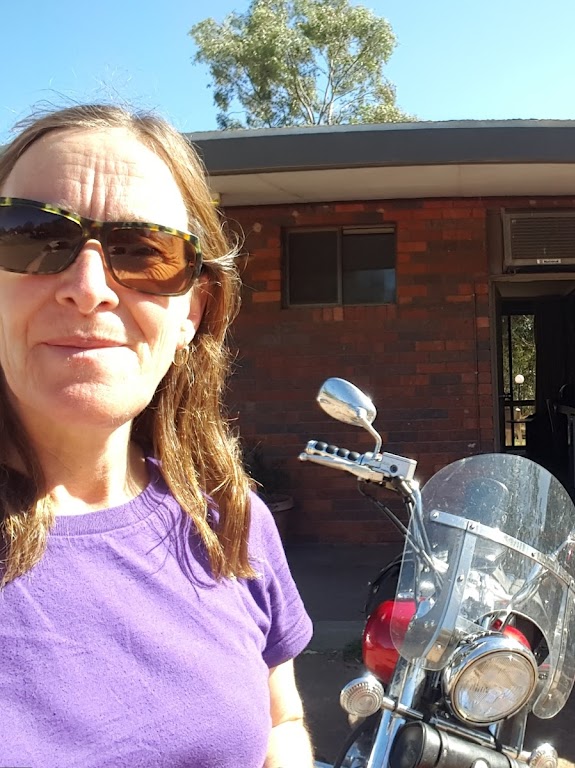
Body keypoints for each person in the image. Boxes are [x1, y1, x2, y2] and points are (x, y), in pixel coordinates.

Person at [0, 105, 315, 767]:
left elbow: (281, 718)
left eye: (145, 251)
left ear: (191, 311)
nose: (88, 289)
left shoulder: (231, 520)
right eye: (33, 235)